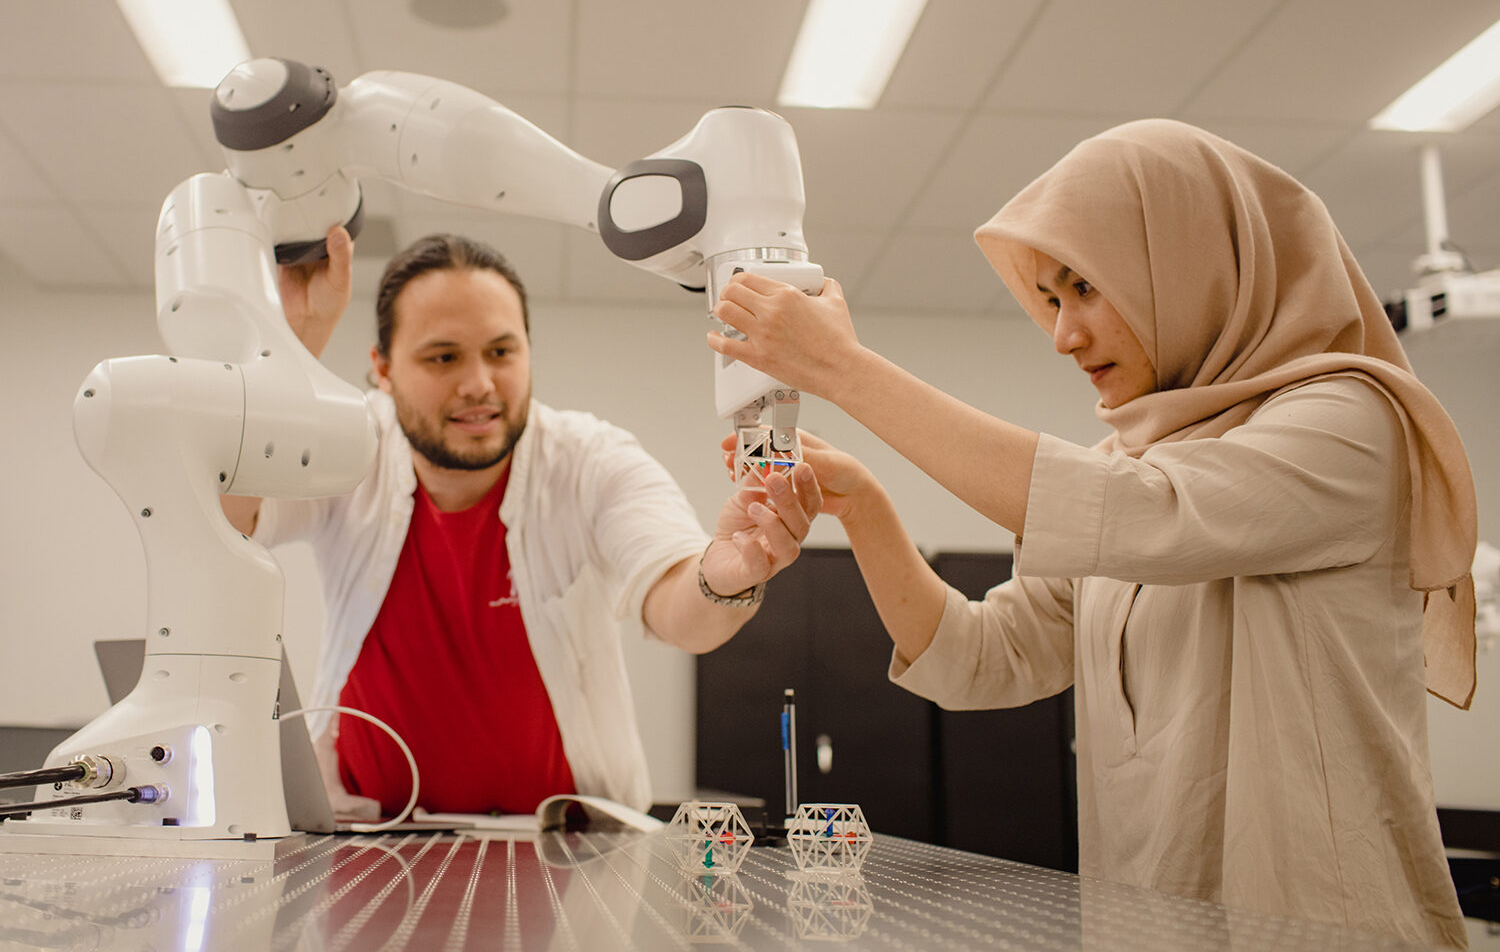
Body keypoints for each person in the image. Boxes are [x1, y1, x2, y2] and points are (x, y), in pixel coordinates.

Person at [707, 120, 1476, 948]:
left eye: (1085, 288)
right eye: (1050, 301)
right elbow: (983, 658)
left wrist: (844, 371)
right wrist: (864, 509)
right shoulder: (1132, 460)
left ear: (1185, 262)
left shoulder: (1349, 423)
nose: (1064, 334)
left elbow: (1144, 512)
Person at [224, 228, 820, 820]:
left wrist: (725, 575)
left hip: (569, 854)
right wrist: (297, 341)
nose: (480, 384)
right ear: (382, 368)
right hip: (369, 839)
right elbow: (227, 519)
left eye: (501, 352)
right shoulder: (352, 447)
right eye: (444, 357)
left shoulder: (591, 460)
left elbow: (680, 610)